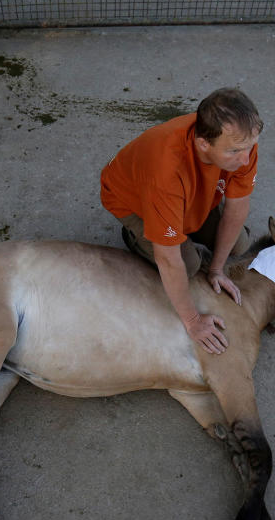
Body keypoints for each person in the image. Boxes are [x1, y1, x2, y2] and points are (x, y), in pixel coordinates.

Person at [100, 87, 263, 355]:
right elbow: (168, 259)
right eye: (234, 151)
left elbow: (237, 207)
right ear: (203, 144)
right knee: (187, 264)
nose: (245, 159)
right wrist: (193, 321)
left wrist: (218, 269)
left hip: (190, 194)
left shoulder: (241, 142)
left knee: (238, 244)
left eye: (250, 147)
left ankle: (185, 223)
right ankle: (134, 236)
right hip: (134, 200)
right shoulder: (165, 170)